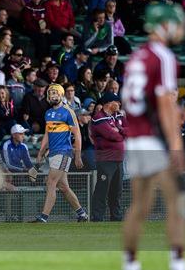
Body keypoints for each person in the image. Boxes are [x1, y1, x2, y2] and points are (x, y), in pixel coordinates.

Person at [120, 3, 185, 270]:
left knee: (139, 205)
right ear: (165, 25)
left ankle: (130, 263)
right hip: (155, 139)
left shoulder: (136, 56)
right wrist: (176, 144)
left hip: (135, 139)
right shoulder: (163, 57)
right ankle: (178, 265)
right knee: (177, 203)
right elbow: (164, 104)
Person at [33, 83, 88, 223]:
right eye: (51, 93)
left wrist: (77, 155)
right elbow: (47, 134)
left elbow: (77, 134)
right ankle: (82, 214)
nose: (53, 96)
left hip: (64, 152)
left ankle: (43, 217)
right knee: (63, 187)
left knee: (50, 182)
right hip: (53, 153)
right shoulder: (48, 113)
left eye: (55, 93)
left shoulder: (68, 111)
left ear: (61, 94)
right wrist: (41, 151)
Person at [90, 93, 125, 221]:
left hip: (119, 159)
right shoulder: (98, 118)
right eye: (117, 102)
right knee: (102, 189)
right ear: (109, 103)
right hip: (106, 160)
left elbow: (128, 130)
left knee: (117, 190)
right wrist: (121, 133)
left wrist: (119, 129)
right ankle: (97, 217)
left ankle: (116, 216)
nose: (120, 104)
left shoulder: (117, 117)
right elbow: (113, 136)